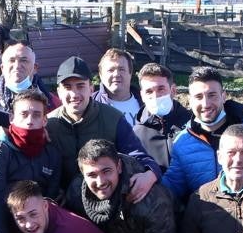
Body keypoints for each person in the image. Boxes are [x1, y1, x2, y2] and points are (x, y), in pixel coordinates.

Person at [161, 66, 243, 201]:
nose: (205, 103)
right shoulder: (183, 141)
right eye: (198, 97)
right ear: (190, 100)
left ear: (223, 96)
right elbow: (172, 185)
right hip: (208, 217)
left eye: (212, 95)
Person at [48, 56, 161, 195]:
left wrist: (151, 173)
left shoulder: (113, 118)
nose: (74, 94)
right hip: (65, 199)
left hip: (107, 195)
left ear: (91, 88)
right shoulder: (49, 124)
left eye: (80, 86)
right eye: (67, 87)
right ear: (58, 92)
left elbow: (136, 154)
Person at [0, 90, 63, 233]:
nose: (30, 121)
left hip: (36, 229)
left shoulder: (52, 153)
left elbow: (50, 199)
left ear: (45, 120)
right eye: (23, 114)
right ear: (11, 118)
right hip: (1, 230)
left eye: (37, 115)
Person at [131, 63, 191, 173]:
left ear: (173, 90)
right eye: (149, 91)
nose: (155, 96)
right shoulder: (136, 134)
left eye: (161, 89)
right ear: (142, 95)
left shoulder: (192, 124)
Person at [0, 42, 59, 112]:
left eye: (23, 60)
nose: (17, 66)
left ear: (35, 68)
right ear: (2, 68)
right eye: (12, 60)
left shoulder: (53, 104)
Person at [92, 48, 142, 127]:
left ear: (130, 73)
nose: (116, 74)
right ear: (101, 75)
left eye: (121, 69)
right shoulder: (90, 106)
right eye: (111, 70)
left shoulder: (146, 103)